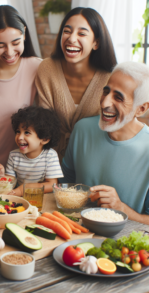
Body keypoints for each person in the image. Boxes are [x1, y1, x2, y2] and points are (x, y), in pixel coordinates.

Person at [60, 62, 149, 223]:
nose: (104, 103)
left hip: (122, 245)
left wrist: (121, 208)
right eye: (106, 92)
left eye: (118, 97)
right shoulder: (82, 130)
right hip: (74, 235)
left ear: (141, 109)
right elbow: (63, 186)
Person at [36, 7, 117, 160]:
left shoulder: (110, 78)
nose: (72, 39)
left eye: (81, 33)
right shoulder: (47, 69)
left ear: (96, 43)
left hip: (95, 157)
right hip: (52, 159)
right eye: (67, 31)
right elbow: (44, 121)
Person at [0, 5, 42, 167]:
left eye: (16, 43)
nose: (9, 52)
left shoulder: (36, 67)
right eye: (0, 45)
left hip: (20, 167)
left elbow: (45, 120)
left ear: (25, 35)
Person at [0, 106, 63, 196]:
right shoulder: (14, 155)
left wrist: (23, 189)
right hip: (21, 197)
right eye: (18, 131)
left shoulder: (50, 155)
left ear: (44, 139)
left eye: (27, 132)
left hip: (42, 197)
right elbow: (11, 181)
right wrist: (2, 176)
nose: (20, 137)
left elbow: (51, 184)